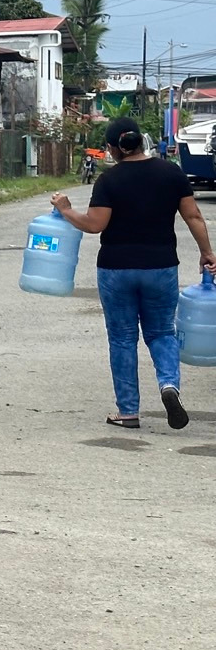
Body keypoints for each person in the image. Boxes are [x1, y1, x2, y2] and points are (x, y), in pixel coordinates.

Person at [51, 117, 216, 430]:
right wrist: (207, 253)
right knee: (162, 332)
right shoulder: (172, 173)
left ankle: (128, 412)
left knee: (123, 339)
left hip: (116, 269)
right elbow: (193, 216)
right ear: (141, 142)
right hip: (161, 267)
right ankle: (169, 385)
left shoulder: (109, 180)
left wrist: (66, 209)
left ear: (113, 148)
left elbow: (95, 224)